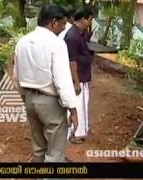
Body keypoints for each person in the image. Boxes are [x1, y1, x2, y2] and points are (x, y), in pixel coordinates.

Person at [13, 4, 78, 162]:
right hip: (50, 102)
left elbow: (16, 74)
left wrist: (24, 96)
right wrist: (73, 109)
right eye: (62, 24)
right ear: (54, 22)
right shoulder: (57, 44)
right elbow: (62, 80)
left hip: (29, 99)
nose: (63, 29)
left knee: (38, 147)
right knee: (55, 151)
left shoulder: (22, 42)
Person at [64, 7, 94, 144]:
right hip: (78, 78)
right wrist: (76, 82)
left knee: (80, 106)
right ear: (83, 19)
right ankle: (75, 133)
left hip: (82, 77)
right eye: (90, 19)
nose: (90, 23)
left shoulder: (79, 34)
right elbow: (72, 61)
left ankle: (78, 130)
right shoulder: (72, 36)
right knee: (78, 107)